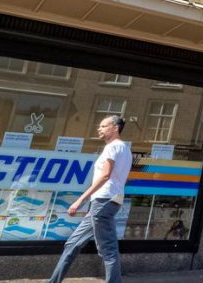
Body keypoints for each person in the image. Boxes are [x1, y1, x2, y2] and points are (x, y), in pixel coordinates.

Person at [46, 115, 133, 283]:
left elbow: (105, 175)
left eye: (103, 126)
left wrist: (81, 200)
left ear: (115, 128)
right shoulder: (125, 149)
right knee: (72, 244)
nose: (99, 129)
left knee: (108, 249)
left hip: (103, 201)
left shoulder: (112, 147)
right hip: (106, 202)